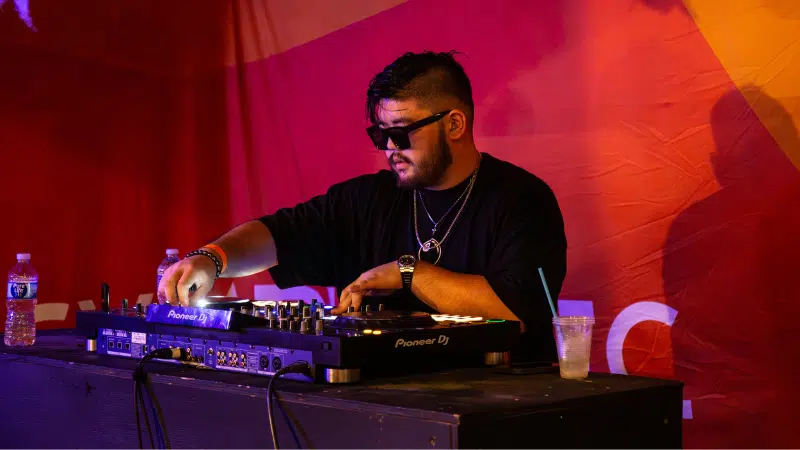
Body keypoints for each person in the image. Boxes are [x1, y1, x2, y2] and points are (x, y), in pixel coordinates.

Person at [158, 50, 567, 363]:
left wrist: (408, 273)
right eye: (380, 134)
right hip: (384, 404)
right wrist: (212, 258)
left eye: (402, 134)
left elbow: (517, 311)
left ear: (455, 125)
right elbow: (279, 234)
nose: (390, 149)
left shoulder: (523, 200)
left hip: (494, 407)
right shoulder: (369, 198)